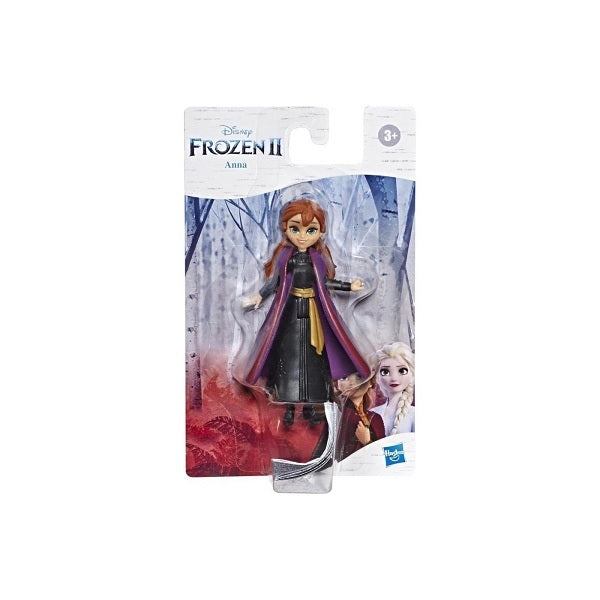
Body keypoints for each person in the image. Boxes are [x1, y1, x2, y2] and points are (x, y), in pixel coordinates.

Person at [245, 199, 369, 426]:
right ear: (286, 228)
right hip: (290, 314)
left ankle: (312, 406)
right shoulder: (286, 258)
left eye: (310, 230)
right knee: (288, 358)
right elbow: (276, 283)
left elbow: (325, 283)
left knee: (314, 358)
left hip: (312, 313)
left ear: (321, 231)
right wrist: (260, 296)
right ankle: (289, 407)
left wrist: (349, 286)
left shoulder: (317, 259)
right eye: (295, 229)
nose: (302, 236)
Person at [335, 373, 385, 461]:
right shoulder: (335, 412)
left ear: (371, 382)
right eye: (344, 377)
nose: (352, 383)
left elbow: (383, 458)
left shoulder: (376, 419)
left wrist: (367, 442)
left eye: (359, 377)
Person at [371, 342, 415, 435]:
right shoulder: (372, 413)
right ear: (377, 377)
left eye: (402, 371)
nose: (394, 378)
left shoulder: (413, 414)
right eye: (385, 372)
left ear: (412, 374)